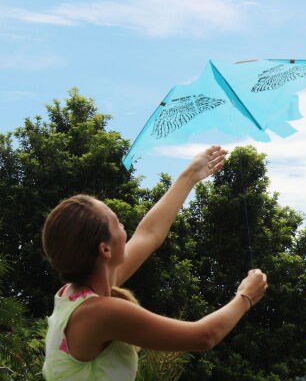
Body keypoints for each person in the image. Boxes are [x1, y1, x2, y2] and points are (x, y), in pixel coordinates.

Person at [41, 145, 268, 381]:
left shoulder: (75, 294)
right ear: (104, 250)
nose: (124, 228)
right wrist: (246, 297)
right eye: (116, 223)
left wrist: (190, 174)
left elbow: (148, 234)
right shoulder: (99, 312)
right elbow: (204, 336)